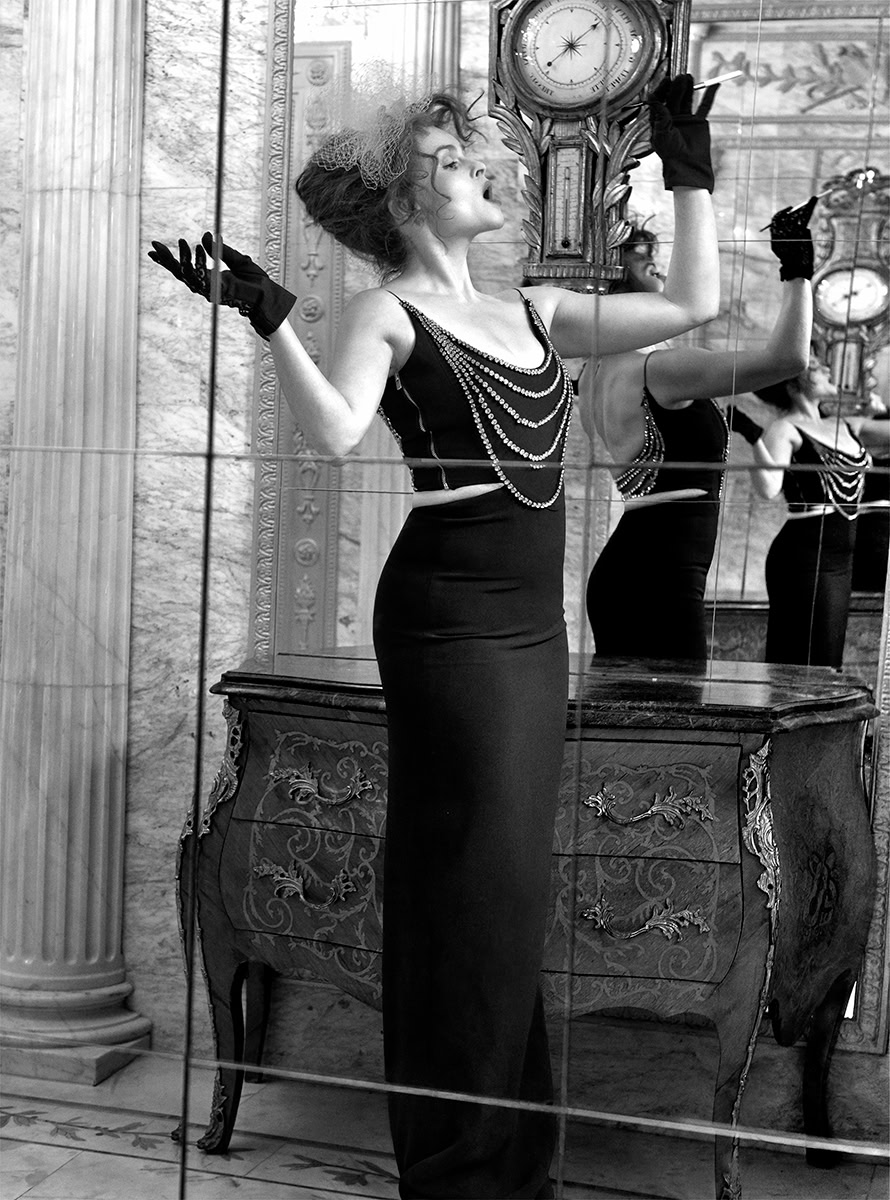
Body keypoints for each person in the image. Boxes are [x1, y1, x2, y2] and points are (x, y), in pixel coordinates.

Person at [149, 78, 719, 1199]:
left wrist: (690, 175)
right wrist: (273, 321)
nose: (483, 171)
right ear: (406, 195)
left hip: (528, 629)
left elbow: (694, 302)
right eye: (454, 159)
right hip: (445, 620)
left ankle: (509, 1159)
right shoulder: (386, 311)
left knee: (504, 889)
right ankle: (459, 1167)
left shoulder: (541, 309)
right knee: (465, 884)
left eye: (475, 156)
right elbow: (332, 433)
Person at [577, 199, 819, 662]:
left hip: (631, 568)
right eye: (648, 261)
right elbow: (787, 360)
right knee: (685, 723)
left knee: (639, 728)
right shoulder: (662, 369)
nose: (662, 270)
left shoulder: (593, 372)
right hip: (661, 579)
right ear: (625, 279)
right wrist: (797, 269)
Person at [750, 357, 889, 667]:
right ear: (791, 382)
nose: (827, 367)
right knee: (803, 660)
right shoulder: (785, 428)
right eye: (814, 365)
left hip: (842, 561)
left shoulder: (845, 424)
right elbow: (769, 488)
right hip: (805, 557)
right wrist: (754, 438)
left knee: (828, 659)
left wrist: (880, 410)